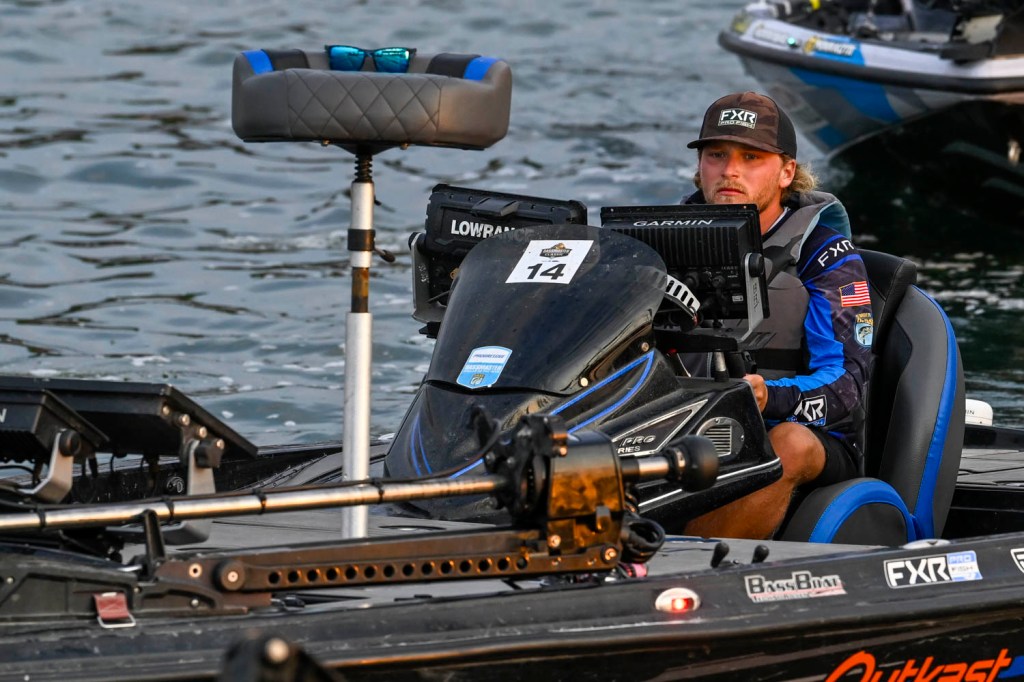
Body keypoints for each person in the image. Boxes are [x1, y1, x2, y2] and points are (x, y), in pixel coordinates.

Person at [680, 92, 874, 540]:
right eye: (716, 155)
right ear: (700, 166)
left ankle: (691, 561)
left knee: (790, 443)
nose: (730, 171)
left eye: (751, 157)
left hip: (803, 434)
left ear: (787, 172)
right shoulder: (658, 242)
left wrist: (770, 398)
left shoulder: (828, 258)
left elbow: (848, 385)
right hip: (686, 425)